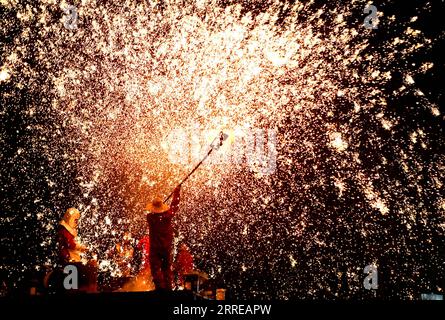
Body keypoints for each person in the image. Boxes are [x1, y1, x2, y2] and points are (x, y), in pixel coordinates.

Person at [145, 186, 181, 290]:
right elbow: (174, 206)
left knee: (156, 270)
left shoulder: (150, 218)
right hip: (166, 248)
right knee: (166, 269)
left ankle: (160, 289)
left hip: (155, 248)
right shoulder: (167, 216)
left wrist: (156, 210)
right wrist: (176, 192)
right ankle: (168, 289)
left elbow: (151, 213)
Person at [57, 207, 97, 292]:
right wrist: (82, 248)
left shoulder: (69, 230)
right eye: (75, 220)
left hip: (72, 258)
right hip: (68, 258)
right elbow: (70, 244)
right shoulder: (64, 230)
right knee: (74, 278)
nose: (76, 222)